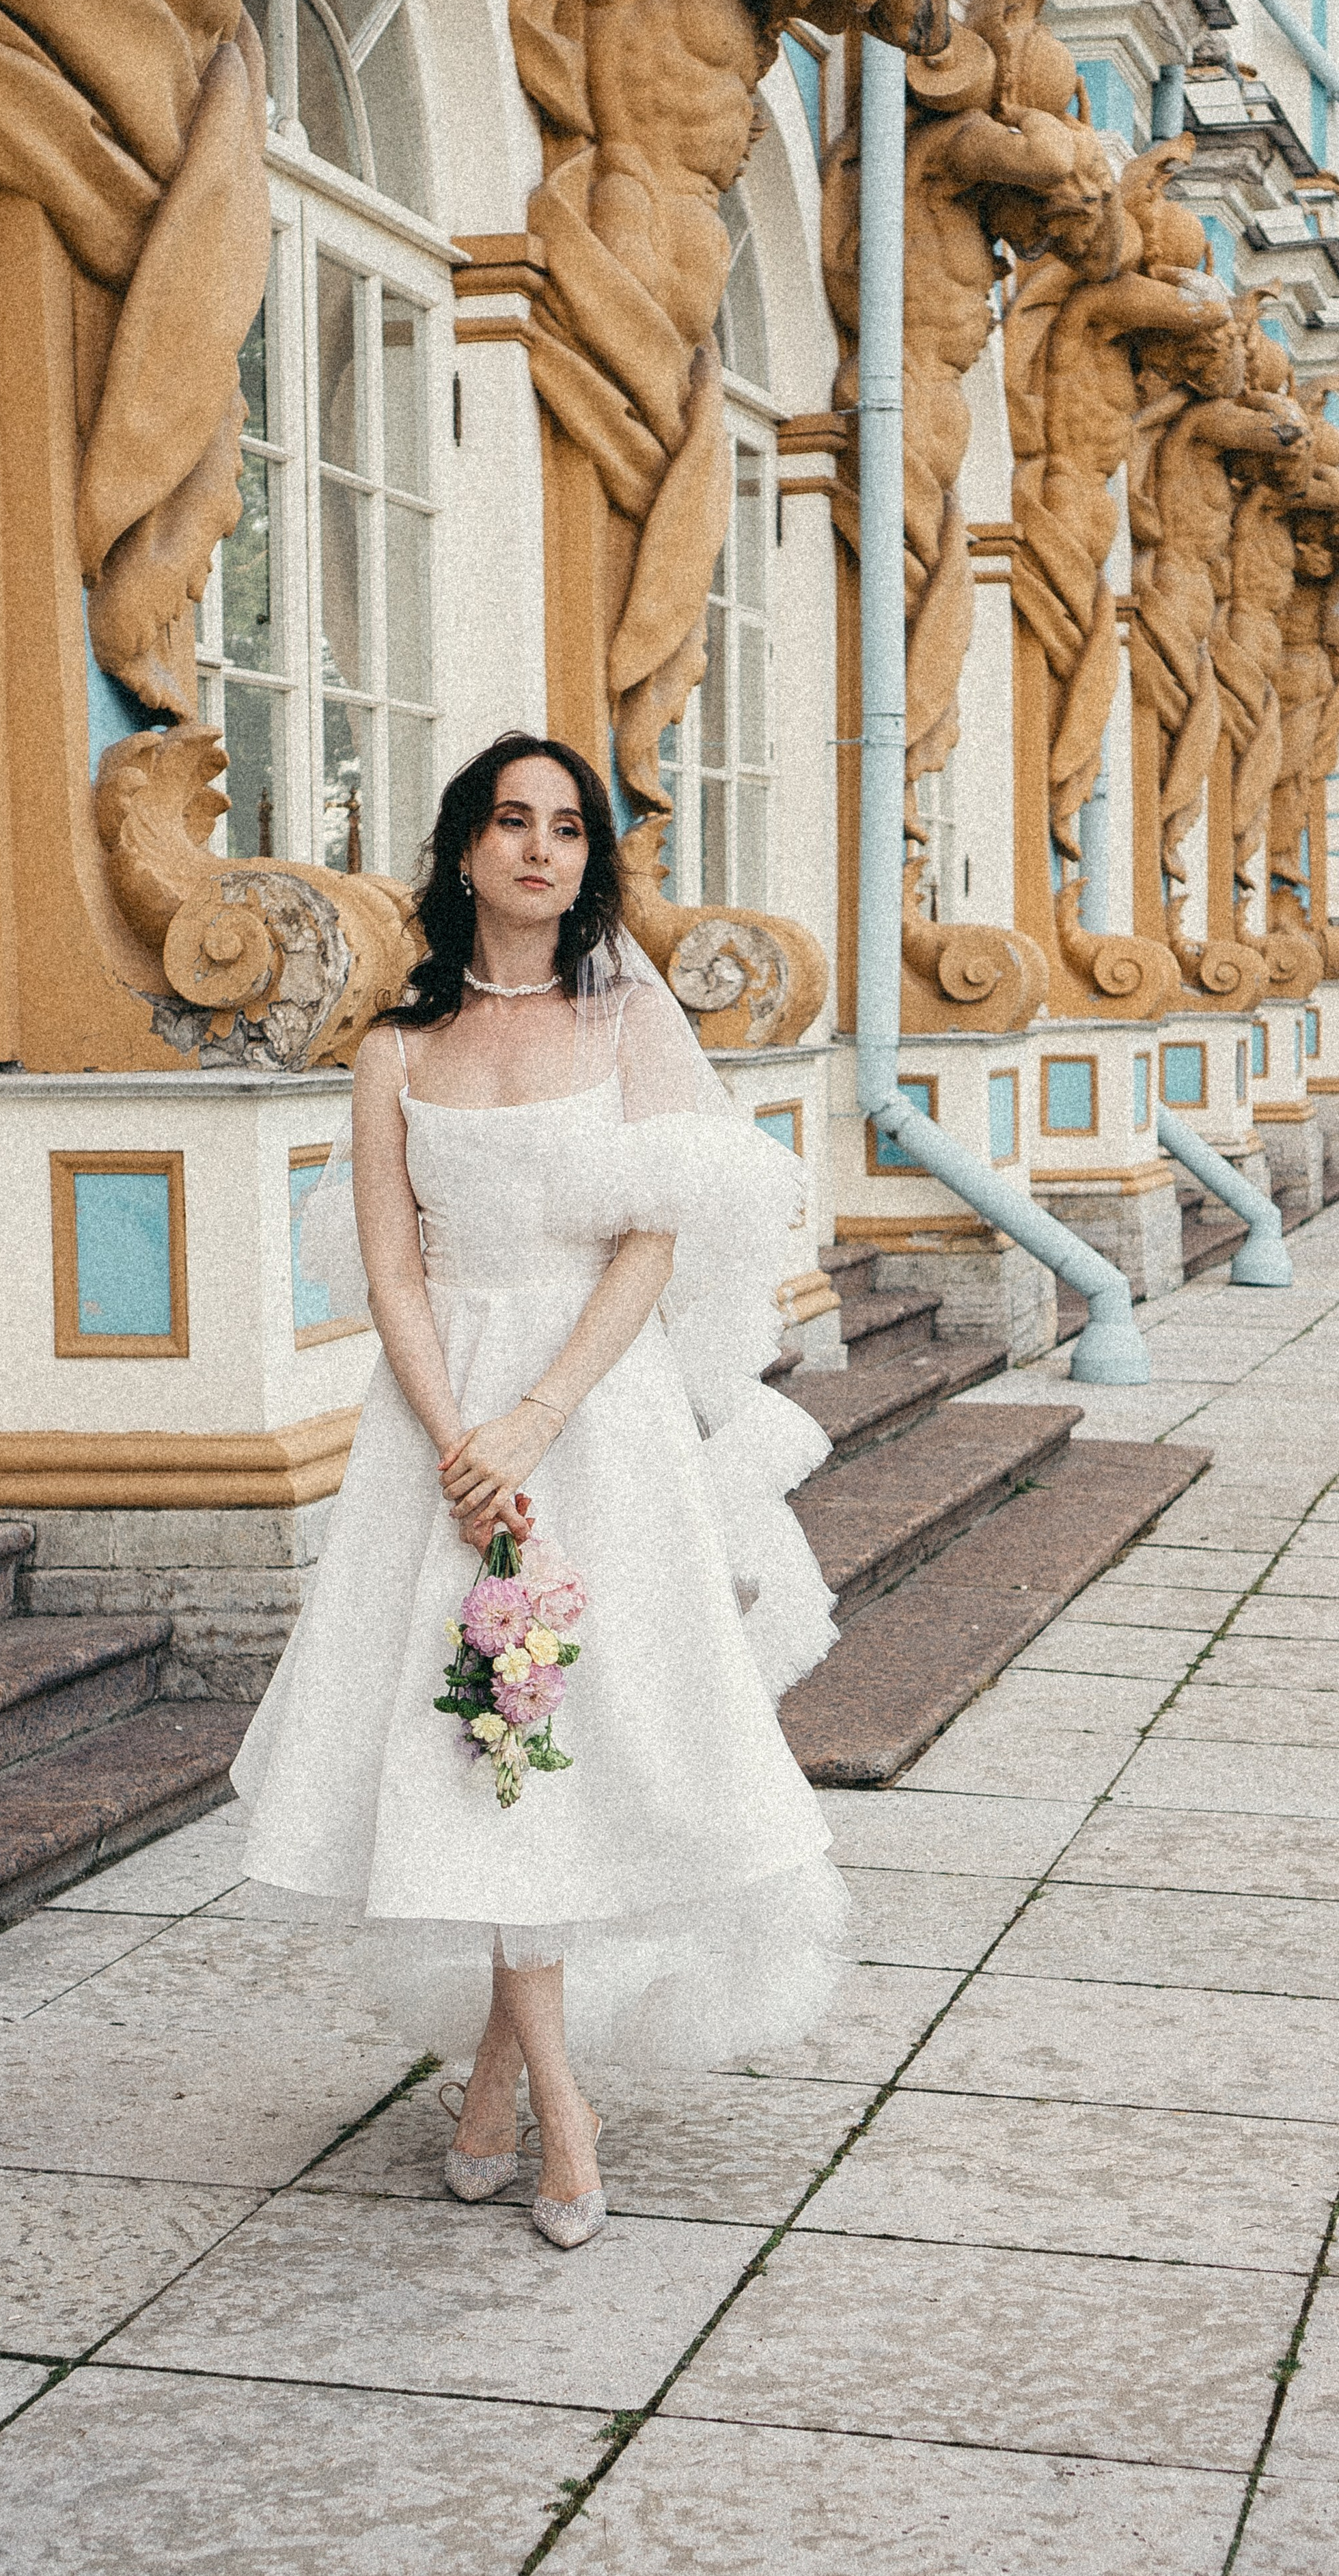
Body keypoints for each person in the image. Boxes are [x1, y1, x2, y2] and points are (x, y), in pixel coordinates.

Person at [230, 732, 847, 2249]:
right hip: (434, 1438)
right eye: (510, 823)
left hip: (596, 1412)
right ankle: (557, 2115)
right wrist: (460, 1441)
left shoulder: (621, 1020)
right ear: (462, 850)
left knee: (578, 1739)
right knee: (479, 1747)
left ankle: (508, 2094)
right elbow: (389, 1267)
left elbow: (655, 1235)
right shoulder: (393, 1050)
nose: (538, 850)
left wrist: (538, 1417)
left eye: (566, 828)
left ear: (587, 860)